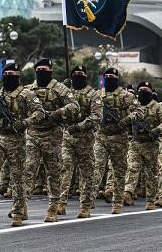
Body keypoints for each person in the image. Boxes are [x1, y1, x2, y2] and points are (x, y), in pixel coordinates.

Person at [0, 63, 44, 227]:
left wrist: (25, 122)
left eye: (12, 74)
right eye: (6, 73)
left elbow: (40, 112)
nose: (9, 76)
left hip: (16, 141)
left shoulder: (27, 94)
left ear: (18, 76)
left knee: (17, 179)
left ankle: (18, 212)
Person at [23, 58, 80, 223]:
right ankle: (21, 207)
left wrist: (59, 112)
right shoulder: (28, 90)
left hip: (53, 135)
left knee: (54, 174)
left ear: (51, 71)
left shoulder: (60, 89)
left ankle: (53, 209)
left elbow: (74, 106)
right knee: (27, 170)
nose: (42, 71)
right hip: (32, 134)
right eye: (39, 68)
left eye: (45, 69)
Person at [92, 67, 144, 214]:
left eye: (112, 76)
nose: (109, 79)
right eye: (107, 76)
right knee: (96, 168)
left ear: (117, 79)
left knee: (119, 171)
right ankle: (89, 200)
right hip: (101, 136)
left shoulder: (126, 96)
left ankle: (117, 202)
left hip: (119, 138)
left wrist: (126, 120)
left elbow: (139, 112)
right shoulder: (97, 95)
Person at [58, 65, 102, 218]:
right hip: (67, 137)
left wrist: (79, 126)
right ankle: (60, 203)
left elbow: (97, 116)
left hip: (85, 139)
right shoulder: (65, 92)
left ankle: (85, 206)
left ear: (86, 76)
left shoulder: (93, 94)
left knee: (86, 173)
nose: (78, 76)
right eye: (75, 74)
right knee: (64, 168)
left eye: (81, 74)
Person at [122, 81, 162, 210]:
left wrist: (157, 129)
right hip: (135, 142)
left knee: (151, 173)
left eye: (146, 89)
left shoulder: (157, 107)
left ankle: (151, 200)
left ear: (151, 92)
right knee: (132, 168)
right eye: (140, 89)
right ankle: (128, 192)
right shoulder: (133, 105)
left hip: (150, 144)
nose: (143, 91)